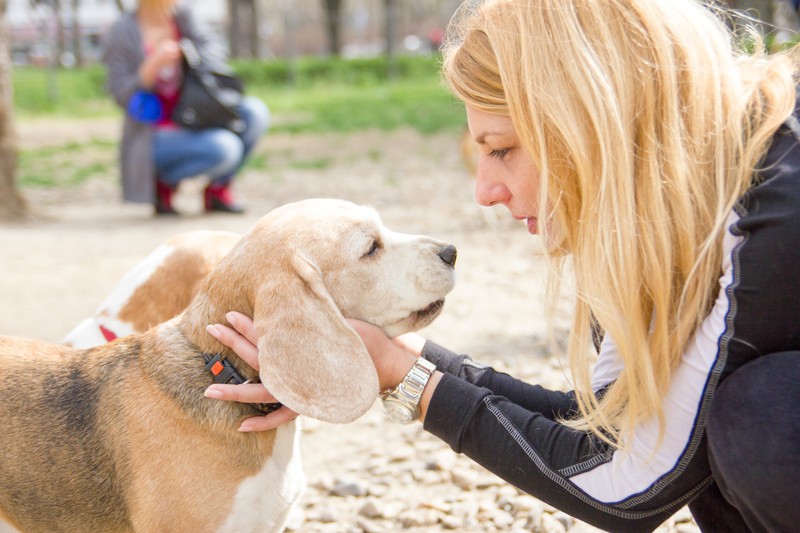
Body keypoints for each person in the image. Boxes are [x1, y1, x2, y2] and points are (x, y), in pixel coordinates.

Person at [201, 0, 800, 531]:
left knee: (761, 420)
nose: (484, 190)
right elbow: (615, 428)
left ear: (592, 122)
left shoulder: (769, 212)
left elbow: (632, 489)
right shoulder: (675, 213)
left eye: (502, 150)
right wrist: (403, 360)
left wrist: (406, 383)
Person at [102, 0, 270, 215]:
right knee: (225, 148)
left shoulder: (185, 17)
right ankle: (163, 183)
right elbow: (120, 94)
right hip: (154, 133)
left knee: (255, 112)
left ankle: (218, 191)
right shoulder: (123, 30)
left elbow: (216, 56)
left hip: (197, 114)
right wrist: (151, 68)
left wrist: (187, 54)